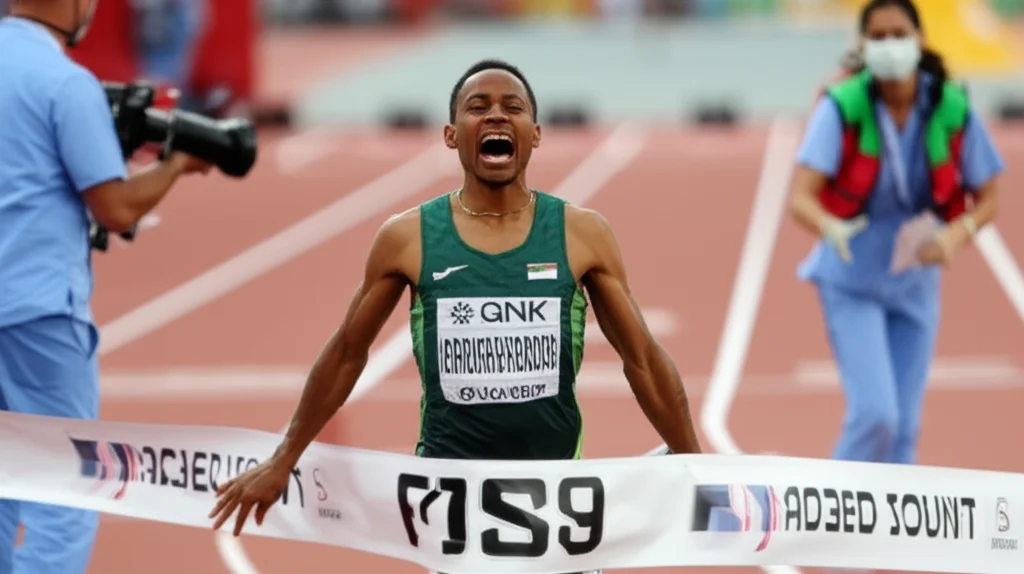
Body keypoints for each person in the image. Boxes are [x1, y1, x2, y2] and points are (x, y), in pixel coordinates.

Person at [208, 58, 703, 568]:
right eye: (477, 107)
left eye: (513, 108)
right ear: (451, 134)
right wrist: (285, 458)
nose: (495, 117)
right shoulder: (409, 238)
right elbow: (346, 354)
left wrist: (700, 468)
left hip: (557, 505)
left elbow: (642, 360)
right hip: (453, 509)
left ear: (535, 135)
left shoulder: (581, 234)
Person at [0, 2, 211, 572]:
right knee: (71, 483)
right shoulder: (66, 83)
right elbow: (115, 207)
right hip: (39, 312)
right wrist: (173, 167)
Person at [788, 0, 1005, 467]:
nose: (890, 45)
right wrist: (829, 226)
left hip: (915, 279)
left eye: (898, 34)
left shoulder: (950, 106)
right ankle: (832, 519)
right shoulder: (843, 106)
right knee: (875, 416)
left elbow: (988, 196)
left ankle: (896, 540)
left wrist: (957, 234)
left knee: (905, 429)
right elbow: (800, 196)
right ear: (863, 48)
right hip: (852, 277)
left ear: (920, 40)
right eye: (878, 37)